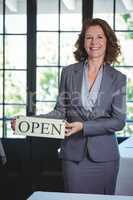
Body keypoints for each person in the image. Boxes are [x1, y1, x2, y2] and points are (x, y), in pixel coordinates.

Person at [11, 18, 127, 195]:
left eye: (99, 37)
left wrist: (84, 127)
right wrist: (27, 121)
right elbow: (60, 112)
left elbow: (118, 122)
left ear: (108, 41)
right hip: (73, 157)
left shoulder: (118, 78)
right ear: (83, 41)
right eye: (89, 37)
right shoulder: (68, 73)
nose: (94, 42)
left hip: (105, 160)